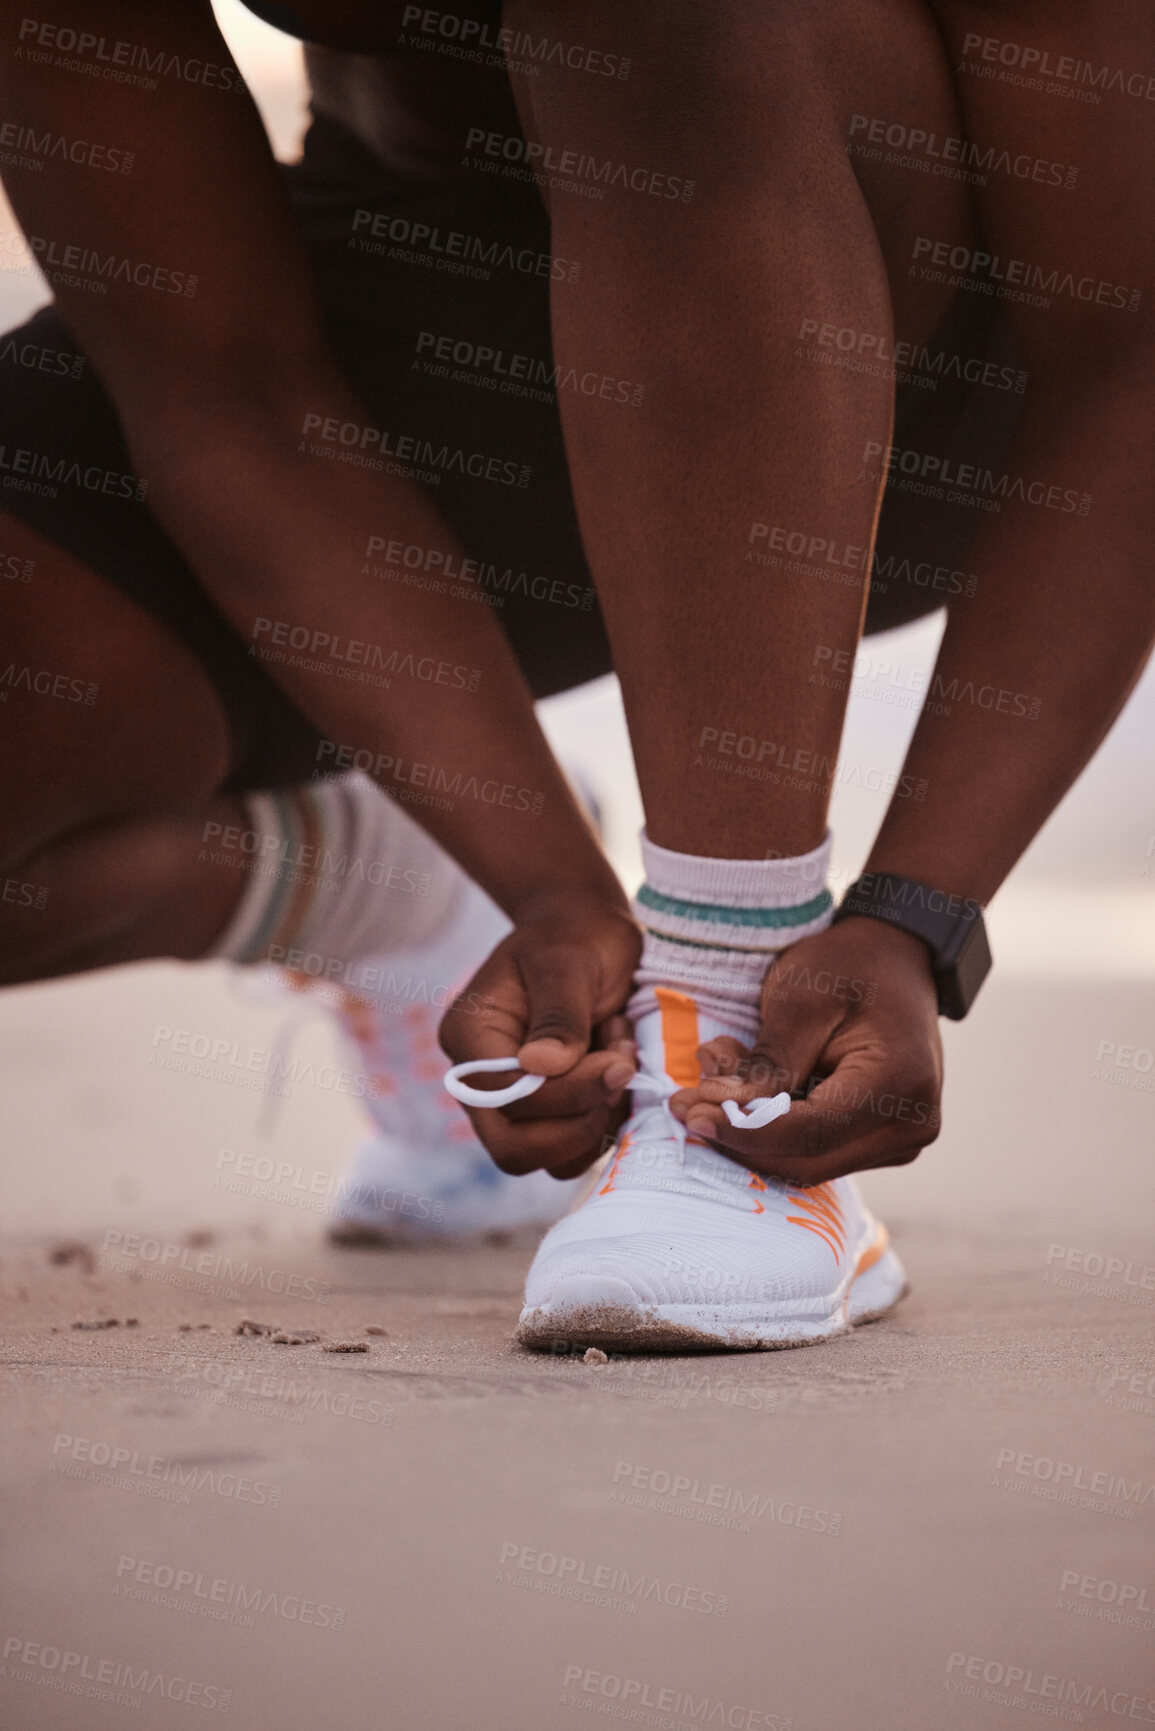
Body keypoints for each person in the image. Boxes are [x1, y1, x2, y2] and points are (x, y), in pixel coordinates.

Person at [1, 1, 1152, 1349]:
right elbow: (220, 390)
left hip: (896, 340)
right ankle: (384, 885)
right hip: (430, 285)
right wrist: (542, 883)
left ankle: (722, 1012)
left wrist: (914, 915)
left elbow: (1130, 350)